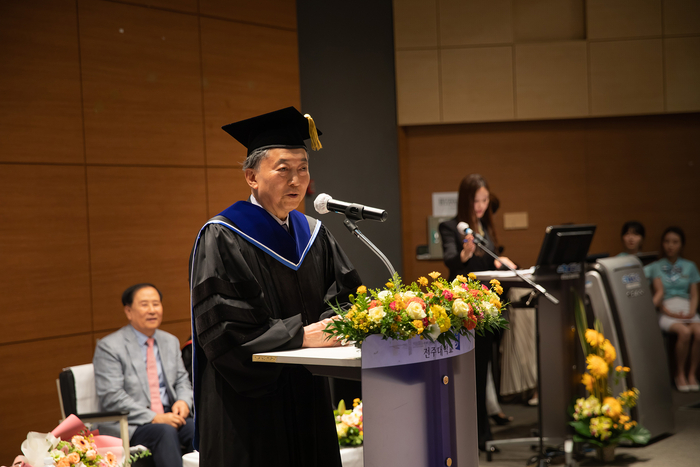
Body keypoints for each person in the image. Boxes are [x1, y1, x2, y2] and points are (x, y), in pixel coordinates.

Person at [188, 107, 362, 466]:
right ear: (252, 177)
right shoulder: (223, 236)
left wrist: (338, 325)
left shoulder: (314, 234)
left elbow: (346, 297)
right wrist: (301, 337)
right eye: (283, 169)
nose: (296, 180)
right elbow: (226, 330)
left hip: (308, 394)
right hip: (248, 407)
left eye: (303, 169)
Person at [438, 174, 515, 451]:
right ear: (465, 200)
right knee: (470, 374)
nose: (481, 205)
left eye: (485, 200)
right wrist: (465, 254)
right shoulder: (450, 227)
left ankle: (483, 434)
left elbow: (490, 261)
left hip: (488, 307)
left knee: (484, 371)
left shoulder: (485, 226)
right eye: (476, 200)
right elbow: (450, 260)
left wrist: (500, 261)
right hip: (465, 309)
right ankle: (473, 436)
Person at [93, 284, 194, 467]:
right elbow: (111, 396)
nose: (152, 310)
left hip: (170, 415)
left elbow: (182, 380)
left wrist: (183, 401)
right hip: (132, 423)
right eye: (145, 304)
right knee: (164, 432)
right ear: (128, 311)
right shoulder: (110, 347)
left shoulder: (170, 341)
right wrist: (154, 417)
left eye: (156, 304)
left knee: (199, 428)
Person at [646, 227, 700, 392]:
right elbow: (655, 292)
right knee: (684, 332)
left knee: (698, 333)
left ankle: (692, 374)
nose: (670, 246)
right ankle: (680, 374)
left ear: (681, 245)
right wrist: (668, 312)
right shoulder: (655, 266)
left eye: (675, 242)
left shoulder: (690, 266)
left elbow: (694, 294)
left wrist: (691, 312)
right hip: (666, 310)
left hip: (686, 308)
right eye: (667, 241)